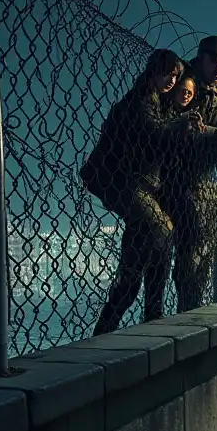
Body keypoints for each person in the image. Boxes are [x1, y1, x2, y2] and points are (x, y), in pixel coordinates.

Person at [80, 48, 188, 334]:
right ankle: (151, 312)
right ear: (153, 71)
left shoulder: (160, 104)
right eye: (166, 73)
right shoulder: (139, 101)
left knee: (138, 258)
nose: (171, 80)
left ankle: (113, 323)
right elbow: (153, 134)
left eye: (175, 76)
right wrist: (181, 124)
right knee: (161, 231)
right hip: (117, 180)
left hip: (138, 185)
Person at [164, 36, 217, 311]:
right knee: (147, 259)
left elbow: (211, 153)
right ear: (201, 57)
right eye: (215, 60)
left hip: (193, 179)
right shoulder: (177, 79)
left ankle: (189, 305)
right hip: (158, 176)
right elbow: (168, 122)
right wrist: (216, 135)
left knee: (199, 244)